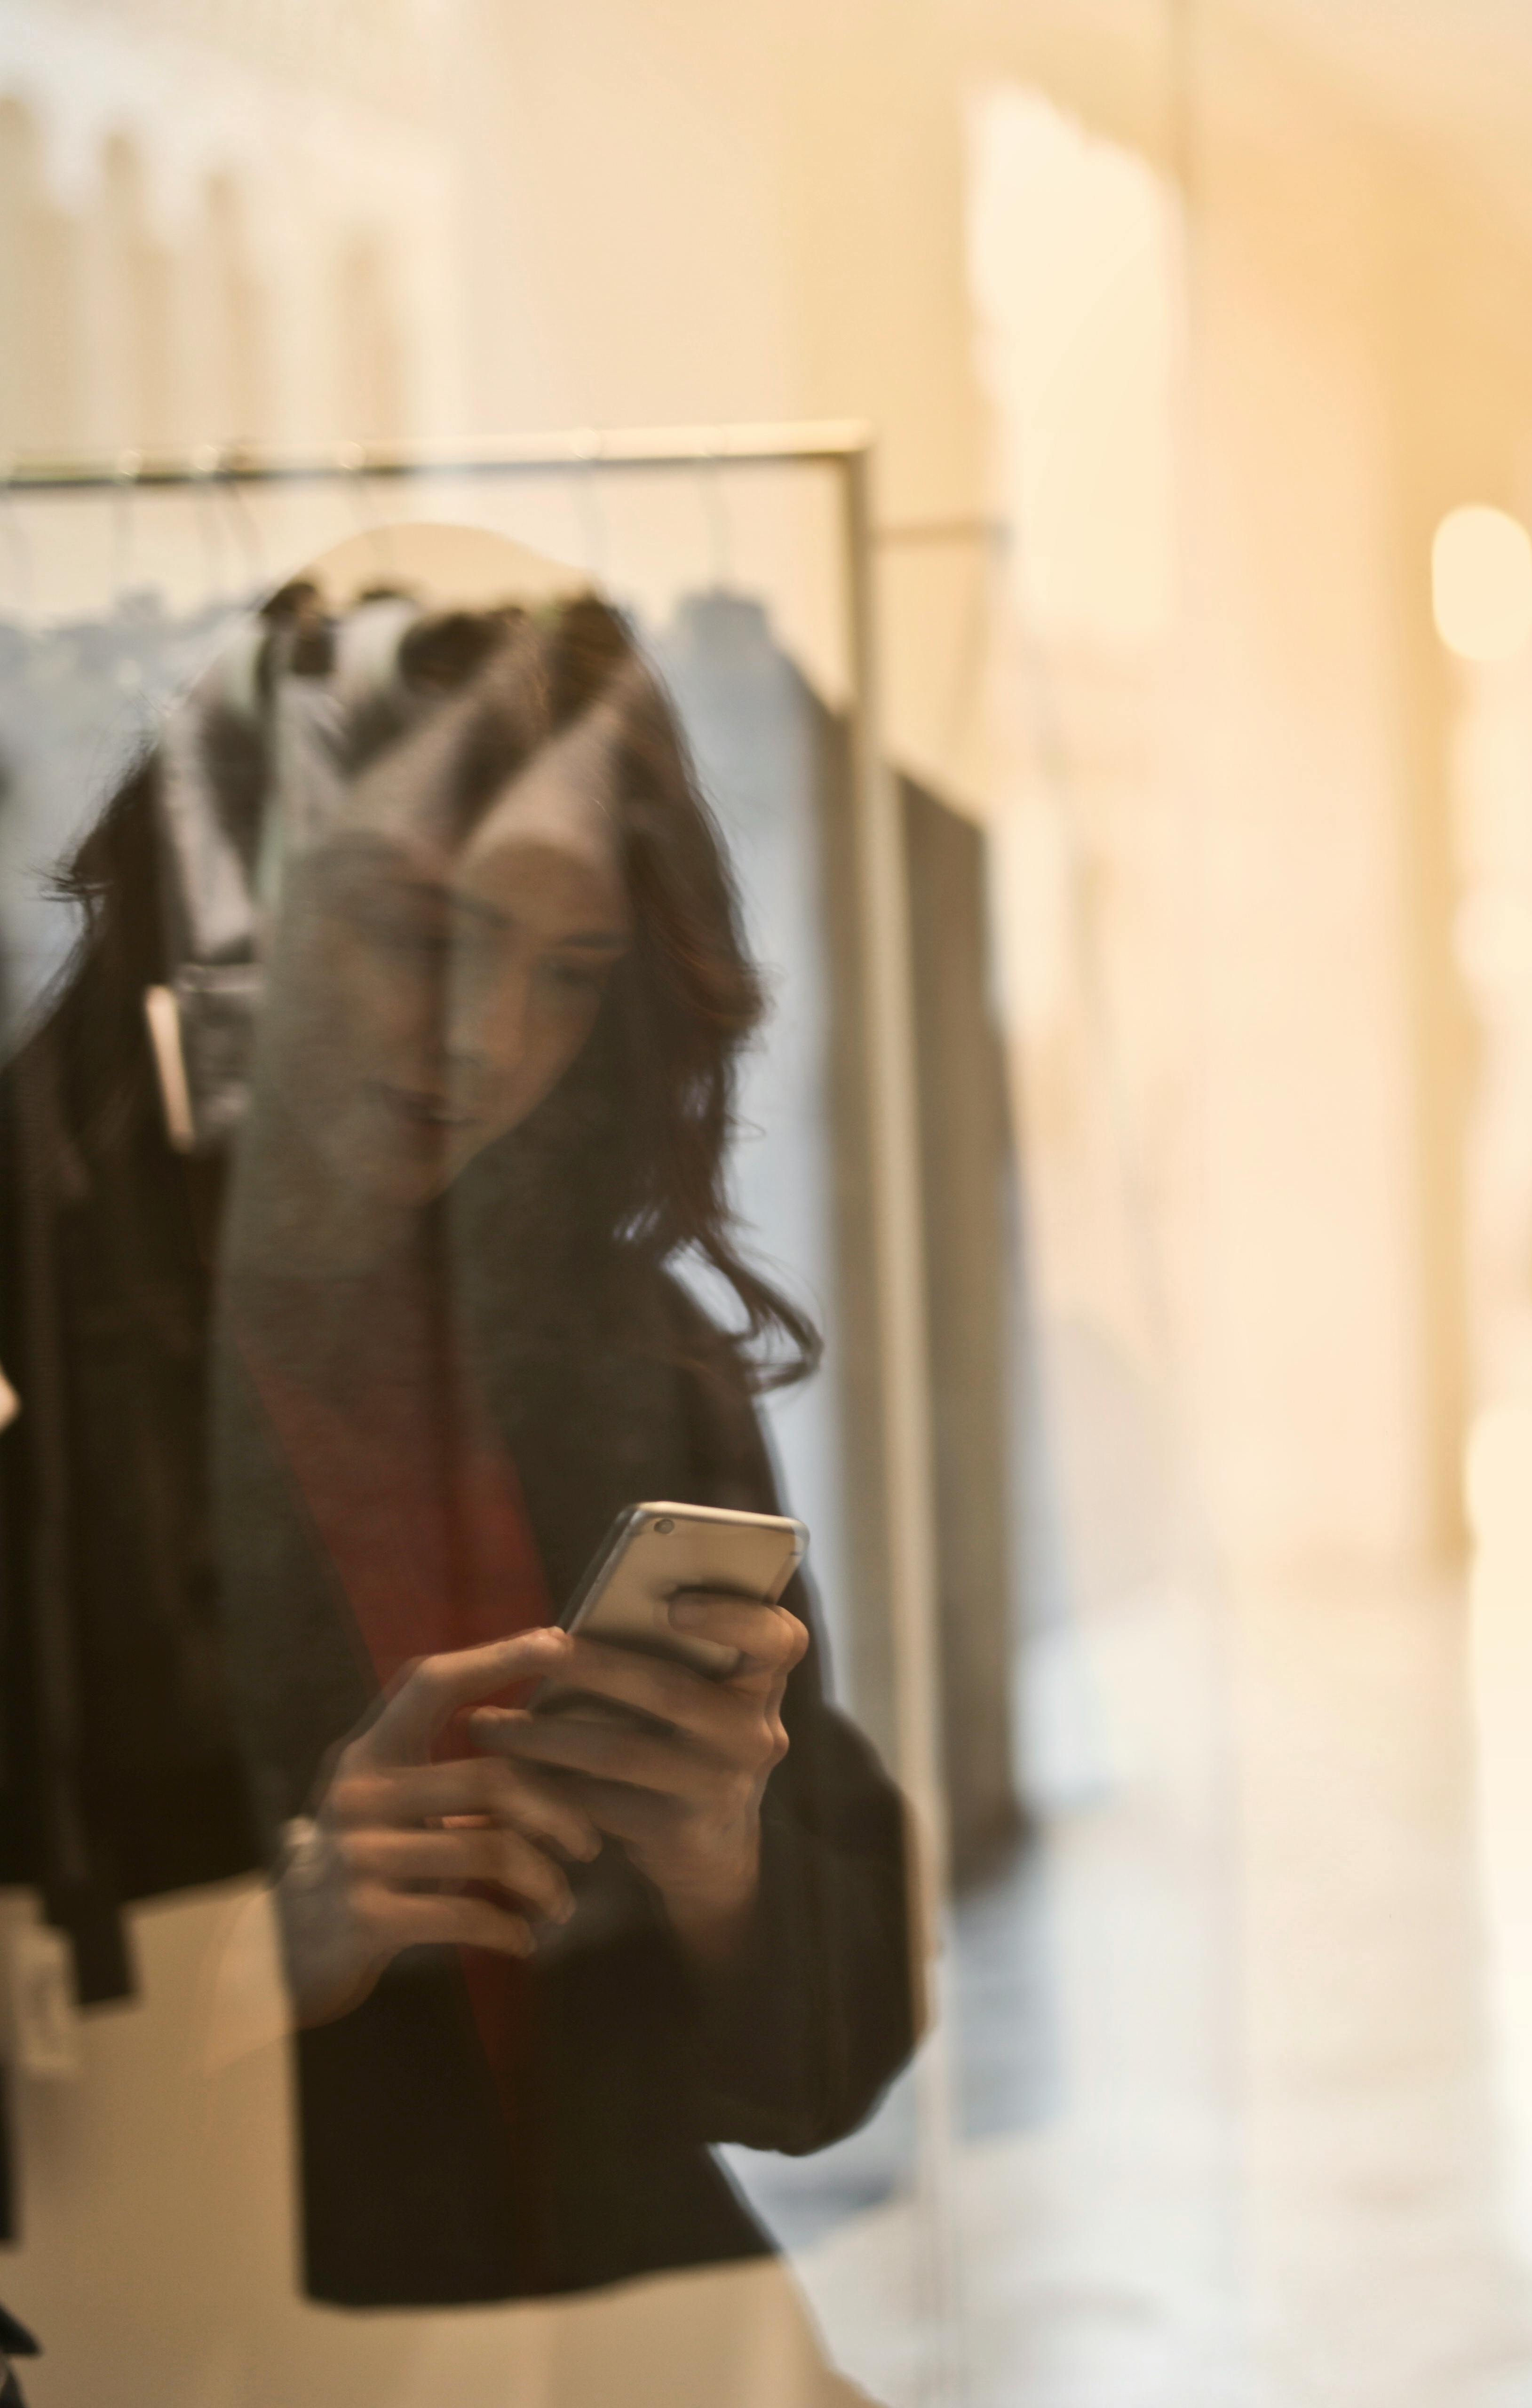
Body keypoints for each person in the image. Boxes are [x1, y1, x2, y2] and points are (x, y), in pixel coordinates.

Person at [0, 555, 915, 2316]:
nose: (484, 1042)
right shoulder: (30, 1318)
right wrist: (275, 1948)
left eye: (568, 974)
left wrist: (721, 1865)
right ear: (224, 901)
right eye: (418, 937)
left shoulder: (620, 1342)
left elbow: (828, 2065)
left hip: (607, 2321)